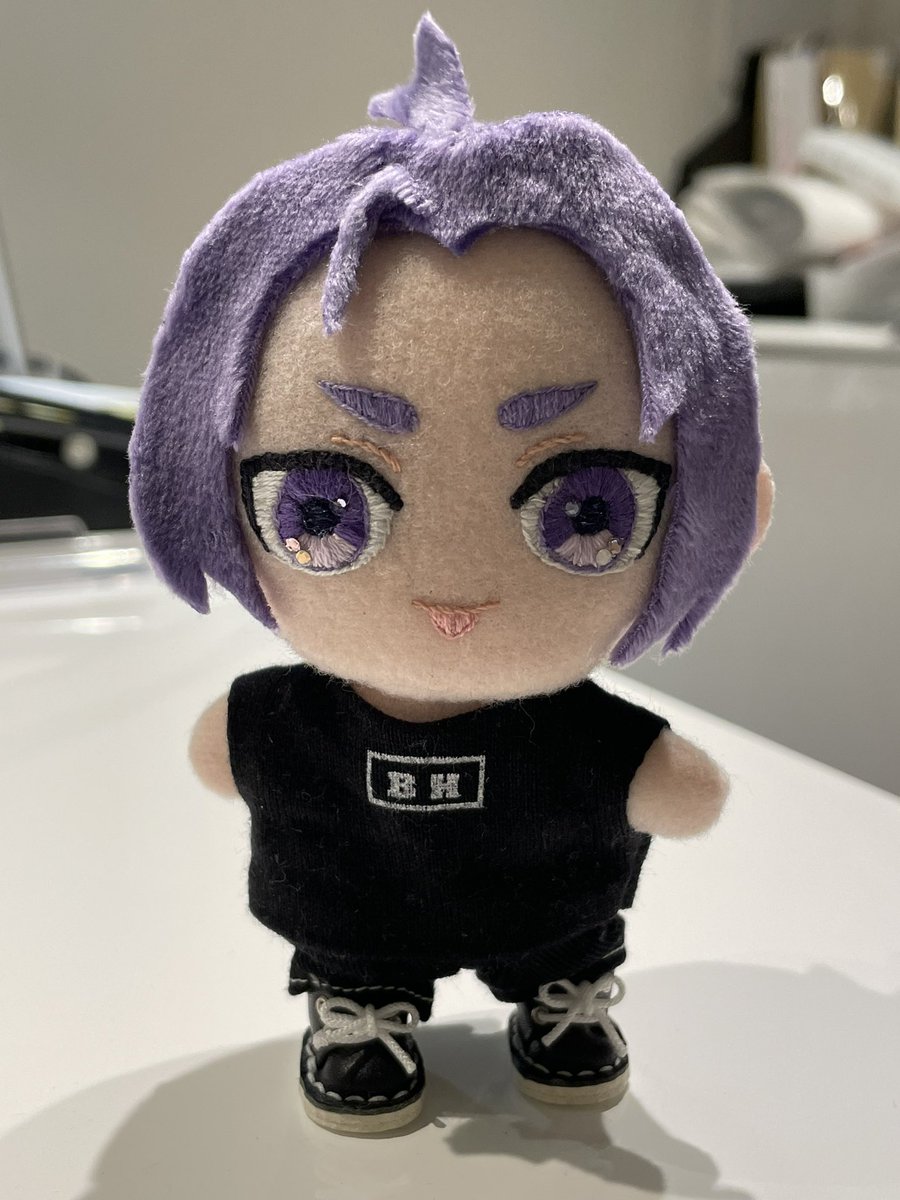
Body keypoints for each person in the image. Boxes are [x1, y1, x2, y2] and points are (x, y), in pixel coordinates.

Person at [129, 16, 772, 1135]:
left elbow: (671, 785)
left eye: (588, 509)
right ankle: (359, 1004)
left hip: (548, 908)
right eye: (324, 506)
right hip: (357, 907)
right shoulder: (294, 723)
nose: (455, 590)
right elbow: (227, 752)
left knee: (564, 931)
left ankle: (557, 1001)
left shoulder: (574, 732)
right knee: (352, 934)